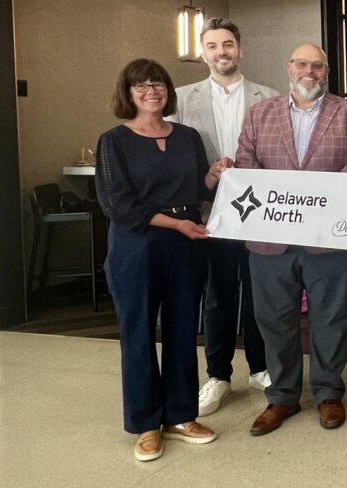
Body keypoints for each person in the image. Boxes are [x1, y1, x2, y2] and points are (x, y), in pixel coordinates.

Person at [95, 59, 230, 462]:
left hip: (187, 245)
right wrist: (176, 225)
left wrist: (215, 174)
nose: (151, 91)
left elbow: (198, 191)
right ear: (128, 93)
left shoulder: (188, 136)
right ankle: (146, 424)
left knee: (183, 329)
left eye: (157, 84)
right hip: (137, 244)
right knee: (138, 331)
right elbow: (117, 204)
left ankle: (181, 415)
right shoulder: (114, 140)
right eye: (141, 85)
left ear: (168, 92)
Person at [237, 44, 347, 436]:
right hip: (270, 239)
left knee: (331, 317)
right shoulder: (259, 113)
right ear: (289, 68)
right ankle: (282, 396)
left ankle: (329, 392)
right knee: (274, 319)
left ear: (326, 72)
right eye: (301, 63)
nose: (308, 71)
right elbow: (246, 164)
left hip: (328, 237)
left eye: (317, 65)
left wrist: (312, 198)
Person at [167, 18, 278, 417]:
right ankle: (218, 375)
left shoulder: (270, 98)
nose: (221, 52)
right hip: (208, 213)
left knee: (261, 293)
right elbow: (175, 160)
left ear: (240, 49)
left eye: (228, 44)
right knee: (218, 296)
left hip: (259, 213)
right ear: (203, 54)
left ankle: (261, 368)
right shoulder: (181, 100)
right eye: (212, 46)